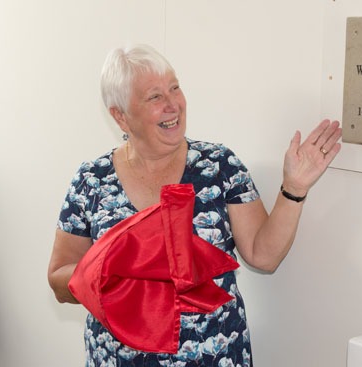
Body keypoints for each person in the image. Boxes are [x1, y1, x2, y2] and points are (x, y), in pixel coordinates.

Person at [47, 44, 341, 367]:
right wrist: (116, 272)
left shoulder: (219, 165)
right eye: (155, 97)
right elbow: (60, 278)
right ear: (120, 115)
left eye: (175, 87)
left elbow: (263, 254)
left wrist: (294, 188)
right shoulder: (92, 180)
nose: (173, 104)